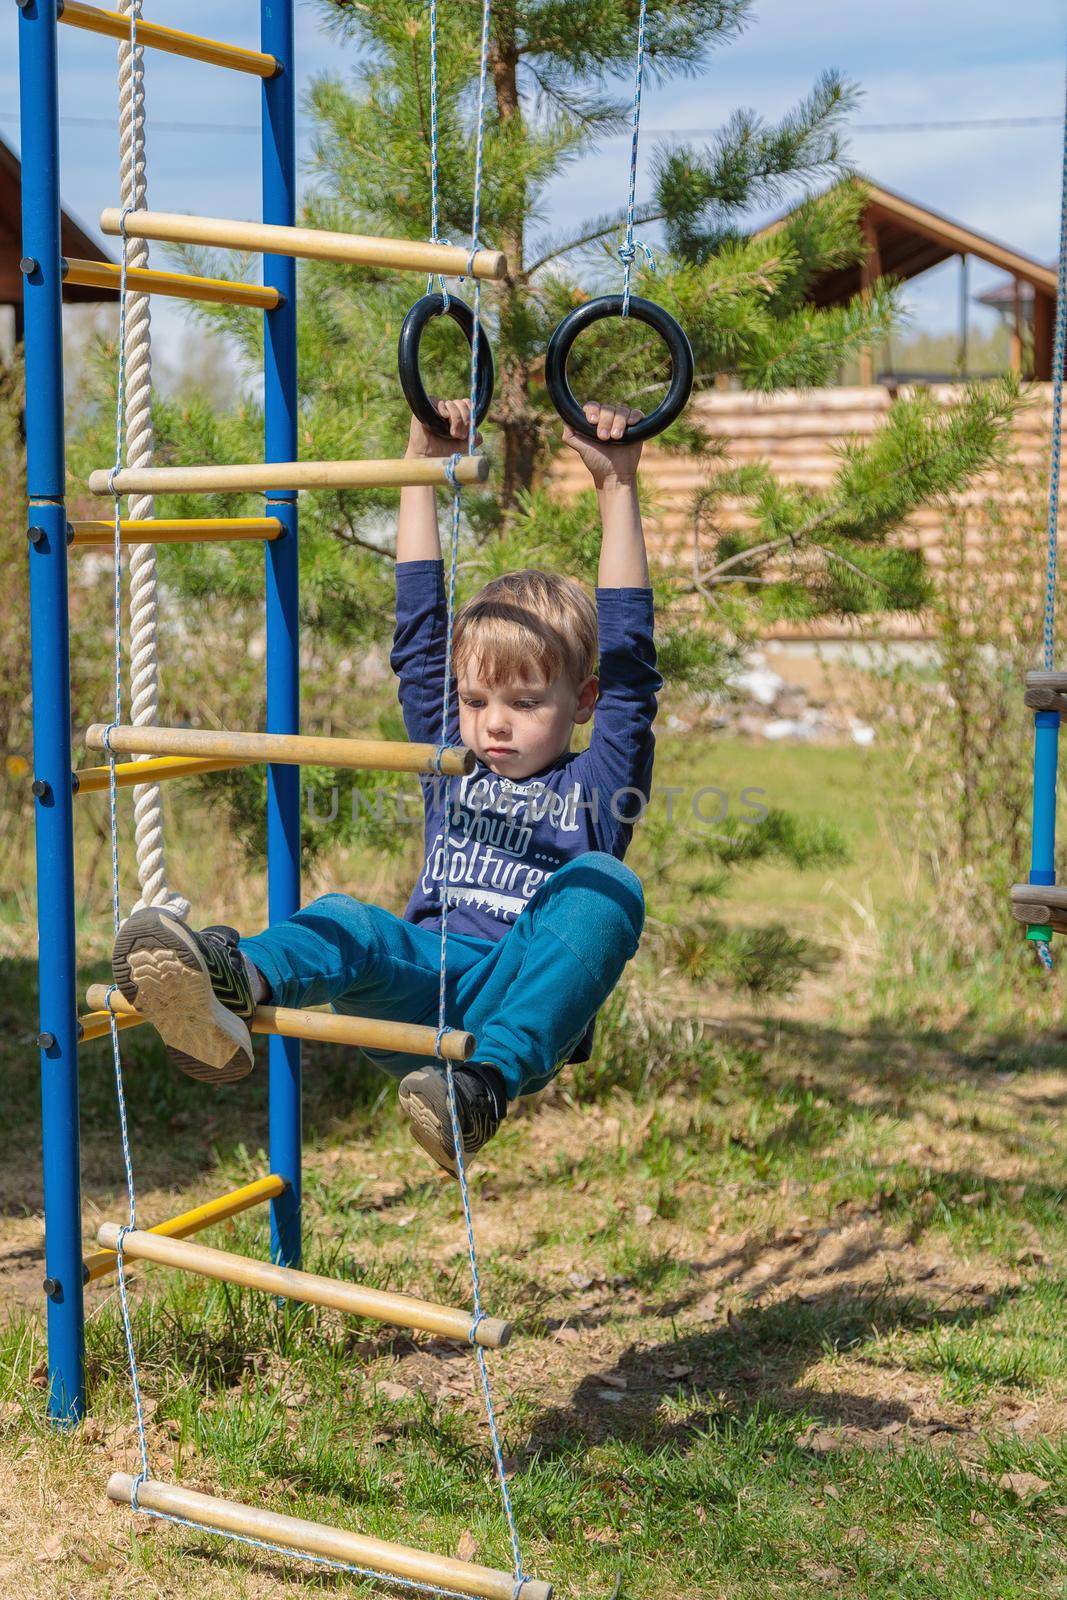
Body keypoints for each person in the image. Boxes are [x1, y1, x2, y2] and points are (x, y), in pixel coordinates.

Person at [111, 395, 660, 1177]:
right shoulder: (453, 757)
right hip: (419, 978)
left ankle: (477, 1093)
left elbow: (633, 666)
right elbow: (419, 637)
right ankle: (230, 985)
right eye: (476, 702)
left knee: (605, 885)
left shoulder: (600, 781)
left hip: (511, 999)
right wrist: (418, 461)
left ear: (584, 701)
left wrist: (616, 488)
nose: (493, 724)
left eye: (525, 703)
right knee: (344, 918)